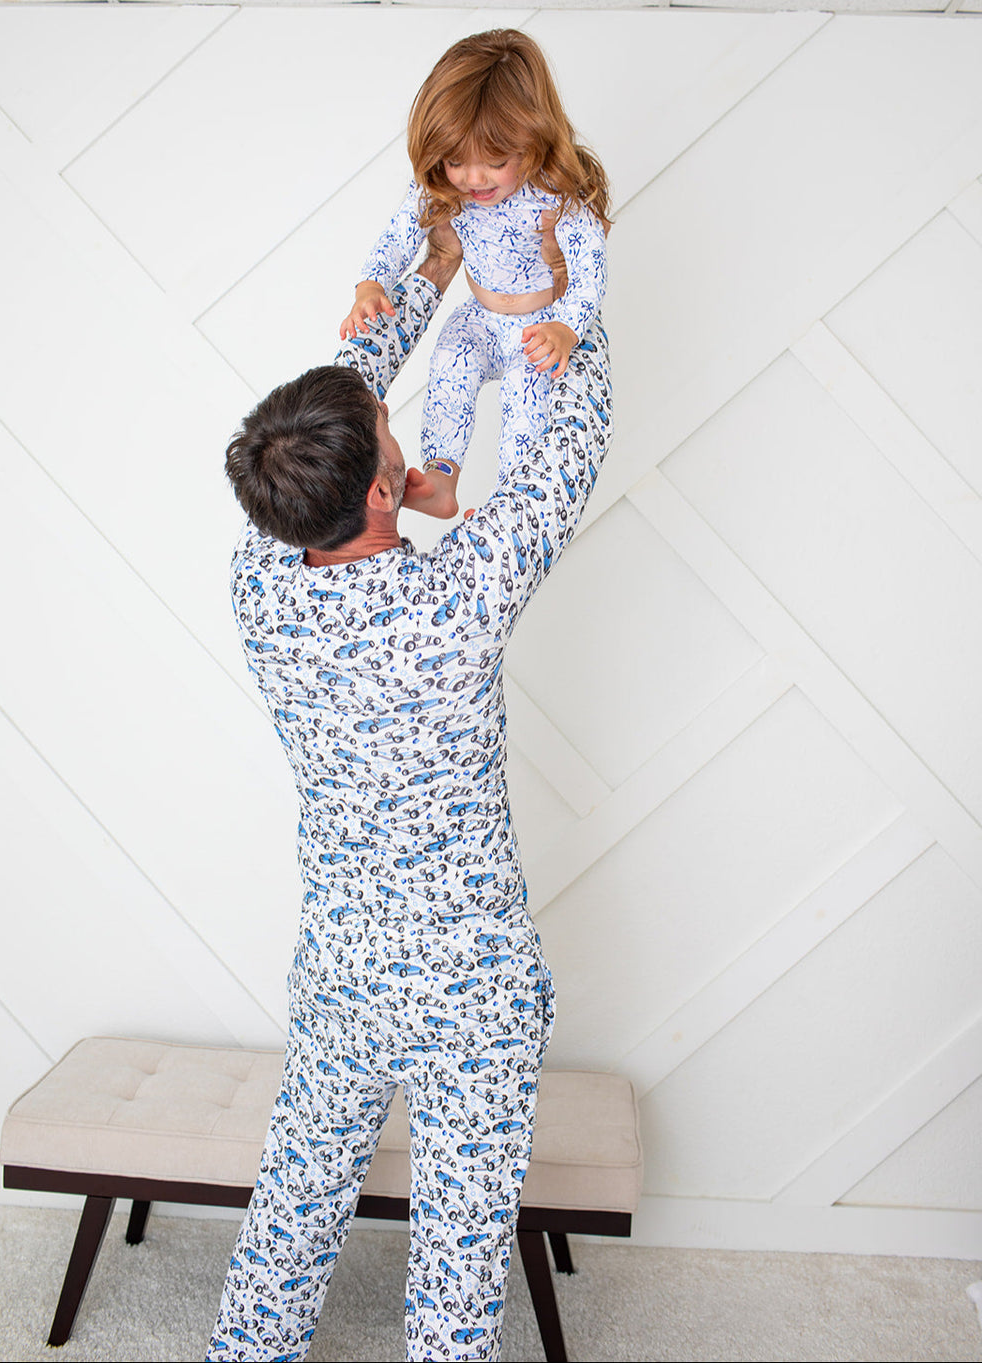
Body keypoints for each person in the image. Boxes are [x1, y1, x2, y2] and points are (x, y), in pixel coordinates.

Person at [207, 219, 612, 1363]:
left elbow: (339, 410)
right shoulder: (460, 598)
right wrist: (563, 284)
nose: (395, 413)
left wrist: (429, 263)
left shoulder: (260, 579)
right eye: (388, 428)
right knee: (455, 1261)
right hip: (470, 986)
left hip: (341, 961)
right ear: (385, 489)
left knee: (291, 1209)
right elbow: (567, 452)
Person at [340, 27, 610, 521]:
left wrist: (565, 327)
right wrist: (371, 282)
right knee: (450, 361)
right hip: (481, 317)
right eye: (456, 161)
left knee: (527, 410)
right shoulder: (446, 189)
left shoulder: (557, 194)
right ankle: (442, 477)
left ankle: (509, 503)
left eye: (495, 163)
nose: (473, 179)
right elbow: (401, 231)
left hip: (539, 326)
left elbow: (591, 270)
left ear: (533, 142)